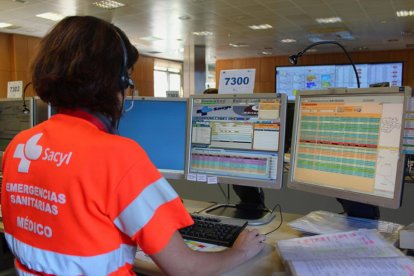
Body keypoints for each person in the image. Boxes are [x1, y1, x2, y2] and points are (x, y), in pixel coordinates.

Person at [1, 16, 265, 275]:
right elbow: (185, 268)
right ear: (116, 82)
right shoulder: (116, 155)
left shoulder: (19, 145)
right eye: (126, 77)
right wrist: (241, 250)